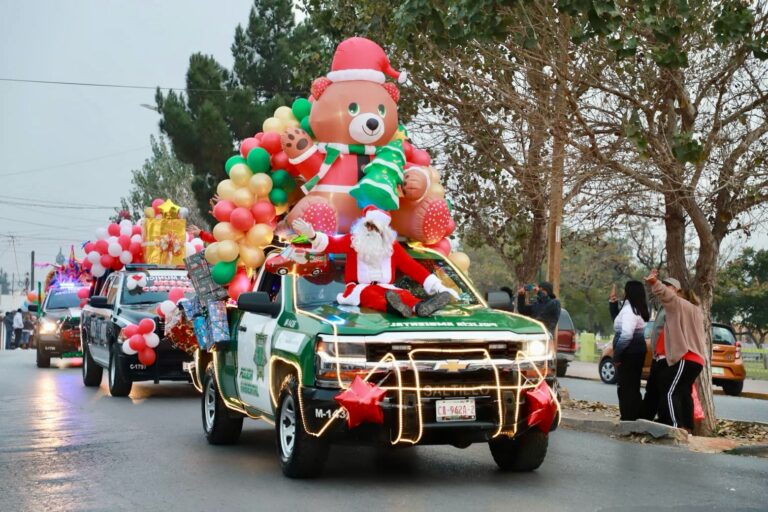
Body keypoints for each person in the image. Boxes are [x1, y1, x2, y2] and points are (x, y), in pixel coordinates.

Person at [293, 206, 458, 317]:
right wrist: (312, 235)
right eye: (368, 226)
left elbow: (411, 266)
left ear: (382, 230)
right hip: (358, 288)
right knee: (370, 295)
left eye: (375, 227)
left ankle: (420, 308)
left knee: (404, 294)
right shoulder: (353, 240)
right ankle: (392, 306)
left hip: (387, 287)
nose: (370, 230)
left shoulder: (391, 246)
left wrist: (438, 286)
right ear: (363, 225)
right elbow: (332, 245)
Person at [644, 269, 707, 432]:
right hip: (697, 361)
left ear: (679, 293)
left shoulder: (678, 305)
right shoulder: (696, 311)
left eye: (670, 287)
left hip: (686, 357)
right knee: (683, 392)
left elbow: (667, 295)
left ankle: (674, 427)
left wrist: (654, 283)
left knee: (669, 392)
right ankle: (687, 428)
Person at [610, 281, 650, 420]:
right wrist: (613, 304)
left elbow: (626, 335)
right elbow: (617, 321)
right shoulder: (635, 309)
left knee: (626, 387)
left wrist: (617, 356)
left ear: (629, 292)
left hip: (629, 353)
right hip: (636, 351)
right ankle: (633, 414)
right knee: (632, 385)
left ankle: (628, 416)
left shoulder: (629, 311)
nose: (623, 293)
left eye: (625, 290)